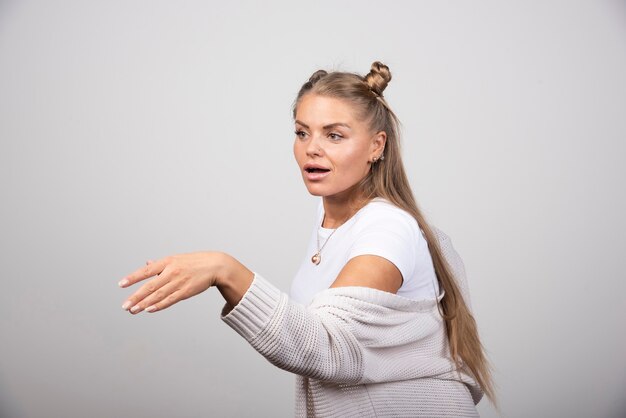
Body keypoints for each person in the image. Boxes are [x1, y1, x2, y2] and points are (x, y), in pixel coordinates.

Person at [119, 61, 496, 417]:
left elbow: (330, 349)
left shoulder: (387, 228)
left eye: (334, 135)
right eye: (302, 133)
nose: (311, 148)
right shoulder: (330, 215)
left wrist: (226, 270)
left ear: (376, 146)